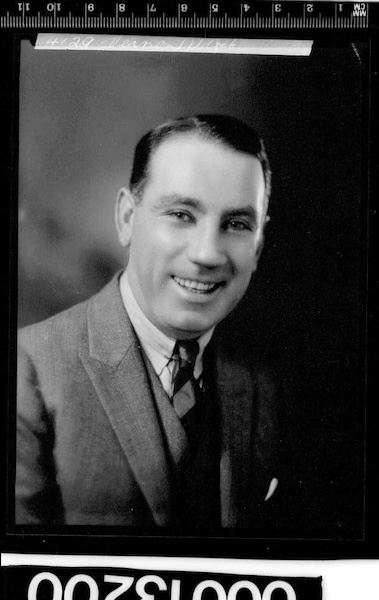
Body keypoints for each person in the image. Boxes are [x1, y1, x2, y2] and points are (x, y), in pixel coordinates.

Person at [16, 114, 282, 529]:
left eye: (236, 225)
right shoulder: (28, 366)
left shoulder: (261, 384)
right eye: (181, 214)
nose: (208, 254)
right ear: (126, 218)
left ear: (260, 243)